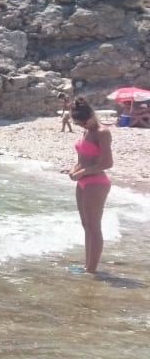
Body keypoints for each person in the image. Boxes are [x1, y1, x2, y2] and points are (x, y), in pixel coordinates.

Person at [68, 97, 113, 274]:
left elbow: (107, 163)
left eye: (83, 123)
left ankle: (91, 270)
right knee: (86, 224)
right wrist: (73, 169)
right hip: (82, 181)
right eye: (78, 124)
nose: (82, 126)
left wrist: (83, 172)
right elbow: (82, 159)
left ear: (92, 115)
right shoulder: (86, 131)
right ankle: (87, 267)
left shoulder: (102, 132)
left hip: (97, 183)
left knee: (94, 226)